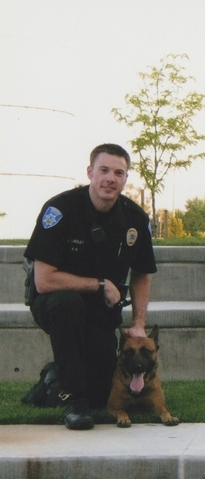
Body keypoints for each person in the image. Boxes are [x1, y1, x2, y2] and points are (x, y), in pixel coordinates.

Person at [24, 143, 156, 430]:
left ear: (125, 178)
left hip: (100, 311)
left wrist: (139, 323)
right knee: (67, 304)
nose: (110, 178)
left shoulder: (135, 219)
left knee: (102, 394)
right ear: (90, 172)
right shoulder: (60, 209)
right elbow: (44, 280)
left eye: (119, 173)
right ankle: (74, 402)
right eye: (104, 170)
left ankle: (52, 380)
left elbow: (143, 272)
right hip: (55, 304)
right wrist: (99, 284)